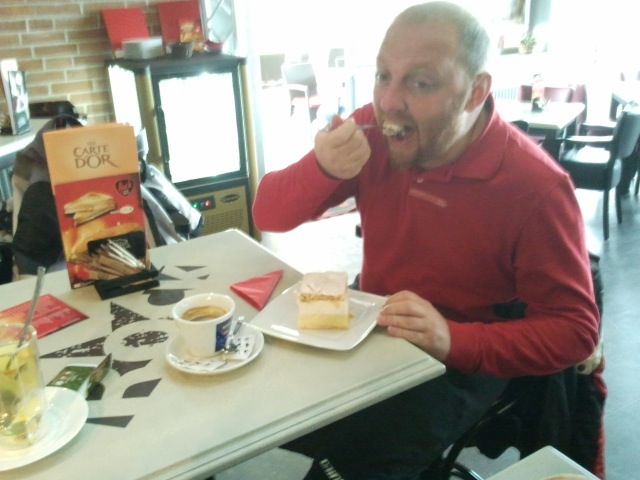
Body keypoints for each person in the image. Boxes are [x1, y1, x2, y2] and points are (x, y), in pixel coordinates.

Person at [252, 2, 601, 479]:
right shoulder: (373, 135)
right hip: (373, 322)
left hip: (463, 355)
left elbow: (575, 331)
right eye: (383, 76)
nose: (389, 102)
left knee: (347, 468)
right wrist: (322, 168)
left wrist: (451, 338)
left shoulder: (535, 187)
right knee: (252, 402)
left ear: (476, 91)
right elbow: (266, 213)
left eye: (420, 83)